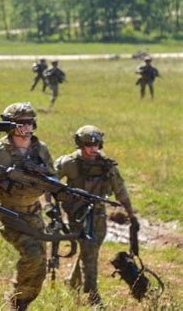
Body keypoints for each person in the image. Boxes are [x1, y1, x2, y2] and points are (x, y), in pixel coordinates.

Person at [0, 102, 55, 310]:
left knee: (41, 264)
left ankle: (24, 301)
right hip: (10, 215)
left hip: (34, 213)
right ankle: (16, 302)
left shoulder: (40, 150)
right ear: (11, 125)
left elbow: (52, 180)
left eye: (31, 123)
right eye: (22, 123)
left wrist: (53, 204)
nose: (28, 127)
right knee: (32, 256)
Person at [54, 125, 137, 306]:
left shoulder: (106, 166)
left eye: (97, 144)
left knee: (89, 251)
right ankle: (93, 297)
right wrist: (52, 208)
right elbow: (50, 182)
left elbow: (120, 191)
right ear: (79, 144)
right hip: (78, 215)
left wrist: (131, 215)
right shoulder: (69, 163)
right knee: (89, 252)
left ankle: (73, 282)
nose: (93, 148)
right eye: (88, 144)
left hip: (99, 215)